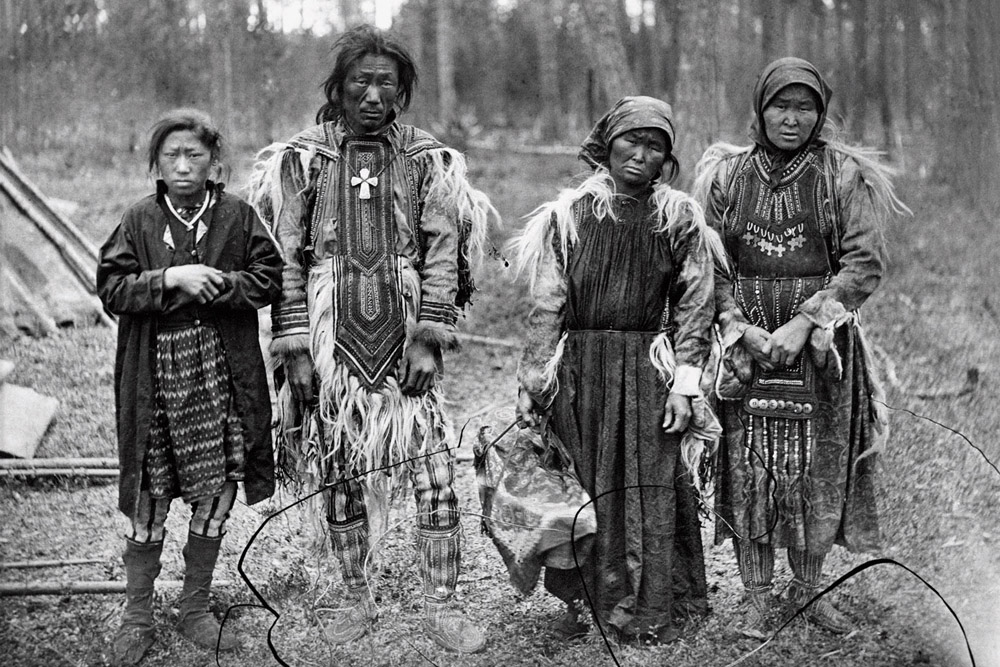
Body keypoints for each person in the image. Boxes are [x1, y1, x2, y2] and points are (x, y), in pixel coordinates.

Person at [246, 25, 497, 654]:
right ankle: (356, 594)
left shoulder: (425, 160)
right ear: (338, 86)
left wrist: (429, 336)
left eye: (387, 82)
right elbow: (284, 258)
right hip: (329, 337)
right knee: (340, 465)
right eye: (361, 81)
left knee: (433, 468)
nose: (373, 95)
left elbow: (443, 251)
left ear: (403, 91)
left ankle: (443, 602)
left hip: (403, 328)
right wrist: (295, 347)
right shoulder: (305, 160)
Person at [693, 57, 908, 637]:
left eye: (805, 107)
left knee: (817, 467)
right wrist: (739, 326)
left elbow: (864, 263)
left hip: (822, 350)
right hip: (746, 348)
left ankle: (808, 592)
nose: (791, 119)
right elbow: (708, 263)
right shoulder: (726, 177)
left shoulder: (842, 174)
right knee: (747, 466)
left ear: (821, 113)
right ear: (759, 111)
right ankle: (758, 597)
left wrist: (808, 321)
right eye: (780, 107)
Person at [513, 96, 722, 644]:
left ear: (667, 159)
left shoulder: (678, 219)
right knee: (583, 484)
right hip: (580, 372)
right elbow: (548, 303)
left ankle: (656, 604)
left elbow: (696, 305)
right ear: (606, 145)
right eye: (631, 140)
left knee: (647, 484)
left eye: (656, 146)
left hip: (648, 370)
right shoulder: (570, 215)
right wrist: (534, 379)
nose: (641, 154)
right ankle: (580, 605)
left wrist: (686, 385)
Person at [97, 109, 282, 665]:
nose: (183, 165)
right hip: (155, 377)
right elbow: (111, 288)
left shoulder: (237, 216)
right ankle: (137, 614)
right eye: (172, 155)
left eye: (194, 155)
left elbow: (270, 278)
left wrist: (220, 283)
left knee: (217, 488)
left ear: (213, 163)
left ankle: (195, 607)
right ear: (156, 163)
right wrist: (170, 279)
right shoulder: (138, 220)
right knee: (149, 496)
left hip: (220, 374)